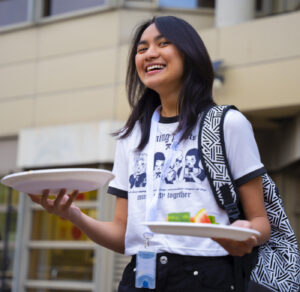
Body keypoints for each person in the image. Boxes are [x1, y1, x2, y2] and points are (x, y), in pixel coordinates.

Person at [29, 16, 271, 292]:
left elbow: (261, 222)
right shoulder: (132, 136)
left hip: (206, 276)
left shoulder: (226, 123)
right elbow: (123, 235)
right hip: (140, 275)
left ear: (190, 53)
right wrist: (74, 215)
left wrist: (245, 235)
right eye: (141, 49)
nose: (150, 53)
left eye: (163, 43)